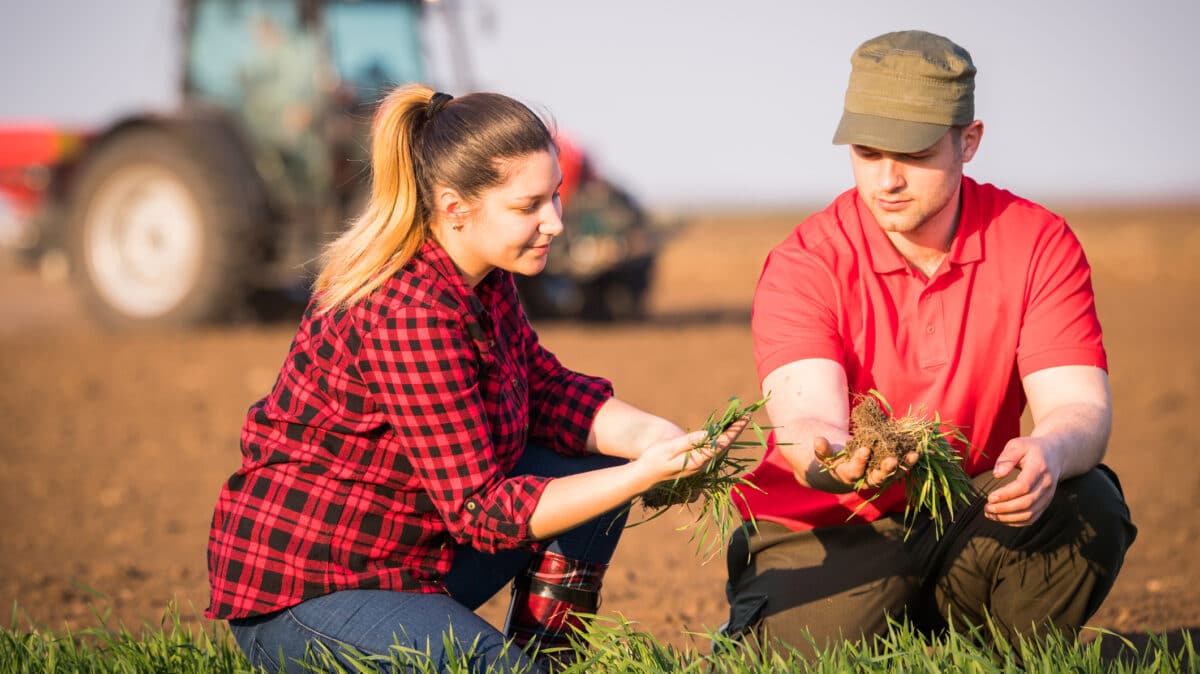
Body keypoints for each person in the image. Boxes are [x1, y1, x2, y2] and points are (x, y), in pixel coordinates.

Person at [206, 83, 748, 673]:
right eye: (528, 207)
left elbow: (543, 391)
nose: (555, 223)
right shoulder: (408, 311)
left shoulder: (483, 276)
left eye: (556, 198)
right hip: (312, 594)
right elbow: (482, 510)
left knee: (594, 469)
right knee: (608, 483)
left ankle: (547, 658)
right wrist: (639, 477)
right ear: (455, 208)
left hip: (409, 559)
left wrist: (653, 438)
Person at [723, 30, 1137, 654]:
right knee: (804, 656)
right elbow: (805, 416)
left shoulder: (1038, 243)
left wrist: (1049, 452)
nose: (886, 179)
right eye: (866, 151)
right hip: (827, 524)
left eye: (912, 153)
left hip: (966, 510)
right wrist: (840, 460)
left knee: (1089, 502)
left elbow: (1078, 407)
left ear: (968, 142)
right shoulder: (805, 263)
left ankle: (986, 653)